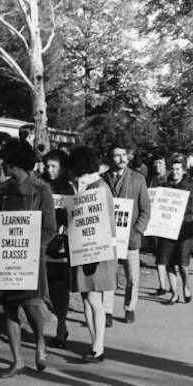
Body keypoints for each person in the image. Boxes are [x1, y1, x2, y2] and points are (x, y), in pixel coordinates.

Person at [0, 138, 56, 378]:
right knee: (9, 308)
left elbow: (50, 228)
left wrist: (31, 247)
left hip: (30, 260)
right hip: (5, 259)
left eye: (7, 161)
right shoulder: (0, 191)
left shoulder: (41, 189)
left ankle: (40, 343)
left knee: (32, 305)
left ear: (17, 163)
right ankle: (17, 361)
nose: (2, 164)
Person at [66, 145, 116, 362]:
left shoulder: (98, 188)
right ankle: (95, 343)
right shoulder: (94, 185)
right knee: (87, 298)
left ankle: (98, 346)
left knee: (94, 298)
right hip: (86, 249)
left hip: (95, 251)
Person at [102, 145, 151, 325]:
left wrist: (137, 230)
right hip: (109, 237)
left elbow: (146, 209)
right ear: (110, 158)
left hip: (131, 237)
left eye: (124, 155)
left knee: (132, 275)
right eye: (117, 156)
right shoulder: (103, 179)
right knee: (108, 274)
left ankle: (130, 308)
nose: (122, 158)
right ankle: (107, 311)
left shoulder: (138, 179)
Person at [43, 150, 73, 348]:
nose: (49, 169)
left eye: (53, 166)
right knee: (46, 292)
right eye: (47, 166)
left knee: (60, 292)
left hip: (62, 249)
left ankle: (61, 328)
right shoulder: (41, 187)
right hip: (42, 246)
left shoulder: (69, 190)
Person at [157, 157, 193, 304]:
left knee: (182, 262)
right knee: (168, 261)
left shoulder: (190, 186)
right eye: (173, 169)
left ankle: (186, 286)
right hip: (166, 228)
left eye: (178, 169)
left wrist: (178, 215)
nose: (175, 172)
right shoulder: (163, 186)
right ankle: (174, 293)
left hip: (183, 228)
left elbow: (191, 207)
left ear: (184, 171)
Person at [147, 152, 170, 295]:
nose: (157, 166)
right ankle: (163, 285)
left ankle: (172, 286)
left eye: (160, 163)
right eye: (155, 163)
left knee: (168, 255)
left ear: (165, 164)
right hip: (154, 222)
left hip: (167, 221)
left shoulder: (169, 178)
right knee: (159, 254)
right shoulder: (150, 179)